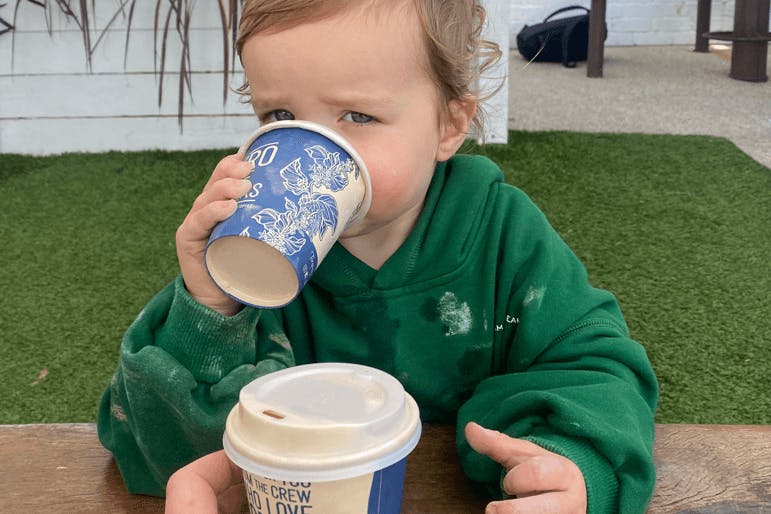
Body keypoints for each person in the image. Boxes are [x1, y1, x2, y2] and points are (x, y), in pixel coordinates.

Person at [98, 0, 659, 512]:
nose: (314, 148)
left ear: (449, 125)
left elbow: (596, 370)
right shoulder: (255, 253)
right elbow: (155, 454)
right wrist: (210, 309)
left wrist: (577, 468)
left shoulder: (503, 233)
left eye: (358, 117)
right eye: (279, 117)